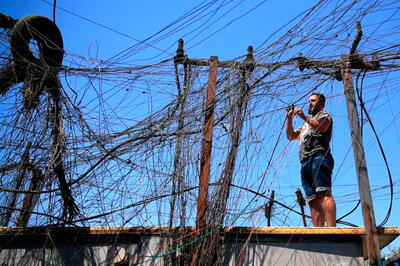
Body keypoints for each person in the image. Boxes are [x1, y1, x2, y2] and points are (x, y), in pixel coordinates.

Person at [285, 93, 336, 227]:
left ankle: (332, 230)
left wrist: (303, 117)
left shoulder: (324, 116)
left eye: (313, 101)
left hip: (319, 157)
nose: (309, 103)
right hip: (305, 162)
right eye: (309, 101)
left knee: (324, 192)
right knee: (312, 200)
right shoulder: (305, 126)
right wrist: (289, 118)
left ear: (321, 103)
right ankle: (318, 231)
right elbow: (290, 136)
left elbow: (321, 126)